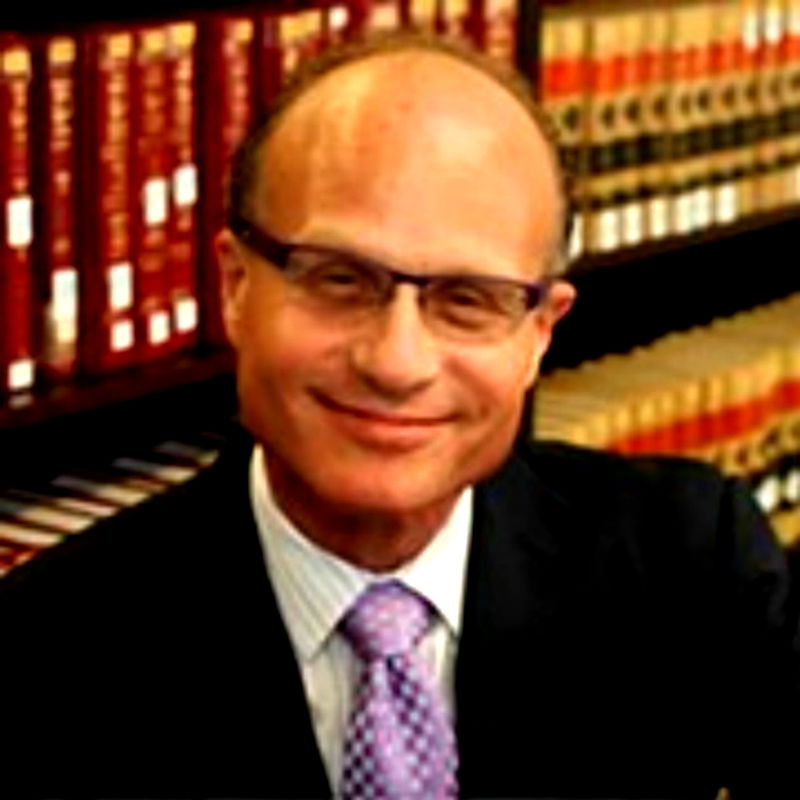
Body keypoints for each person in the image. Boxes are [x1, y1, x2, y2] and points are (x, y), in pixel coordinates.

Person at [2, 31, 798, 800]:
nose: (396, 362)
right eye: (340, 279)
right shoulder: (40, 653)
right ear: (236, 287)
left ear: (538, 334)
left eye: (468, 299)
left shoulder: (693, 561)